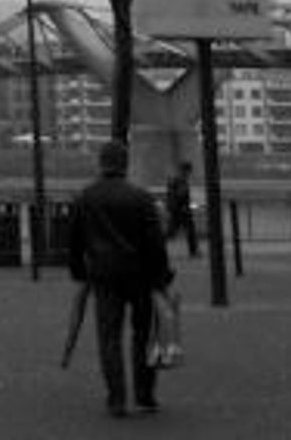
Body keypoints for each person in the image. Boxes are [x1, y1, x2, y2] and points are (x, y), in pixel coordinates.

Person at [67, 139, 174, 418]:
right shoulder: (141, 198)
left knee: (109, 336)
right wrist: (161, 277)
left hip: (104, 275)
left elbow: (74, 241)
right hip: (140, 275)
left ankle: (116, 398)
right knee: (143, 335)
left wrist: (79, 272)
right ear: (125, 165)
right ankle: (144, 394)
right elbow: (155, 244)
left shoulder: (86, 197)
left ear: (101, 164)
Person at [163, 161, 198, 258]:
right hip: (182, 210)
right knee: (182, 231)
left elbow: (171, 195)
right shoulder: (181, 180)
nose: (190, 173)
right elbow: (180, 194)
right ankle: (193, 252)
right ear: (186, 170)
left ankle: (194, 251)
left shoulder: (175, 179)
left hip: (177, 210)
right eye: (189, 171)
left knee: (173, 231)